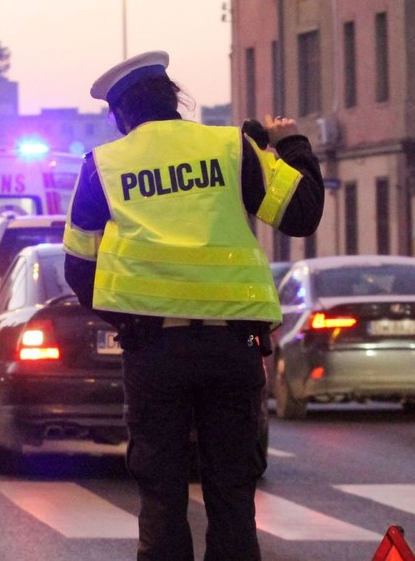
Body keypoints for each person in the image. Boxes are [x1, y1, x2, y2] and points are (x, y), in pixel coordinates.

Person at [62, 51, 323, 561]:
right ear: (175, 100)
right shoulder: (231, 148)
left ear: (120, 116)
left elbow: (79, 268)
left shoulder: (104, 166)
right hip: (231, 349)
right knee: (231, 493)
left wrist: (130, 319)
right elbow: (303, 213)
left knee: (161, 495)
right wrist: (289, 143)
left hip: (154, 352)